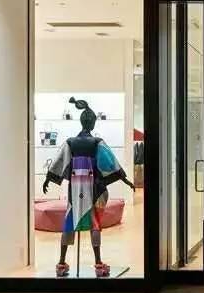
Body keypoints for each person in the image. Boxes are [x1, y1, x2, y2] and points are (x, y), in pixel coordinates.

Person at [43, 97, 135, 278]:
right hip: (95, 189)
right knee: (95, 223)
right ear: (92, 123)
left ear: (81, 122)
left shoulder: (70, 142)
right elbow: (111, 164)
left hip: (75, 190)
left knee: (69, 222)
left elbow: (58, 162)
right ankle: (99, 263)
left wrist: (48, 179)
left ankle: (61, 263)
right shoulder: (97, 143)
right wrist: (125, 180)